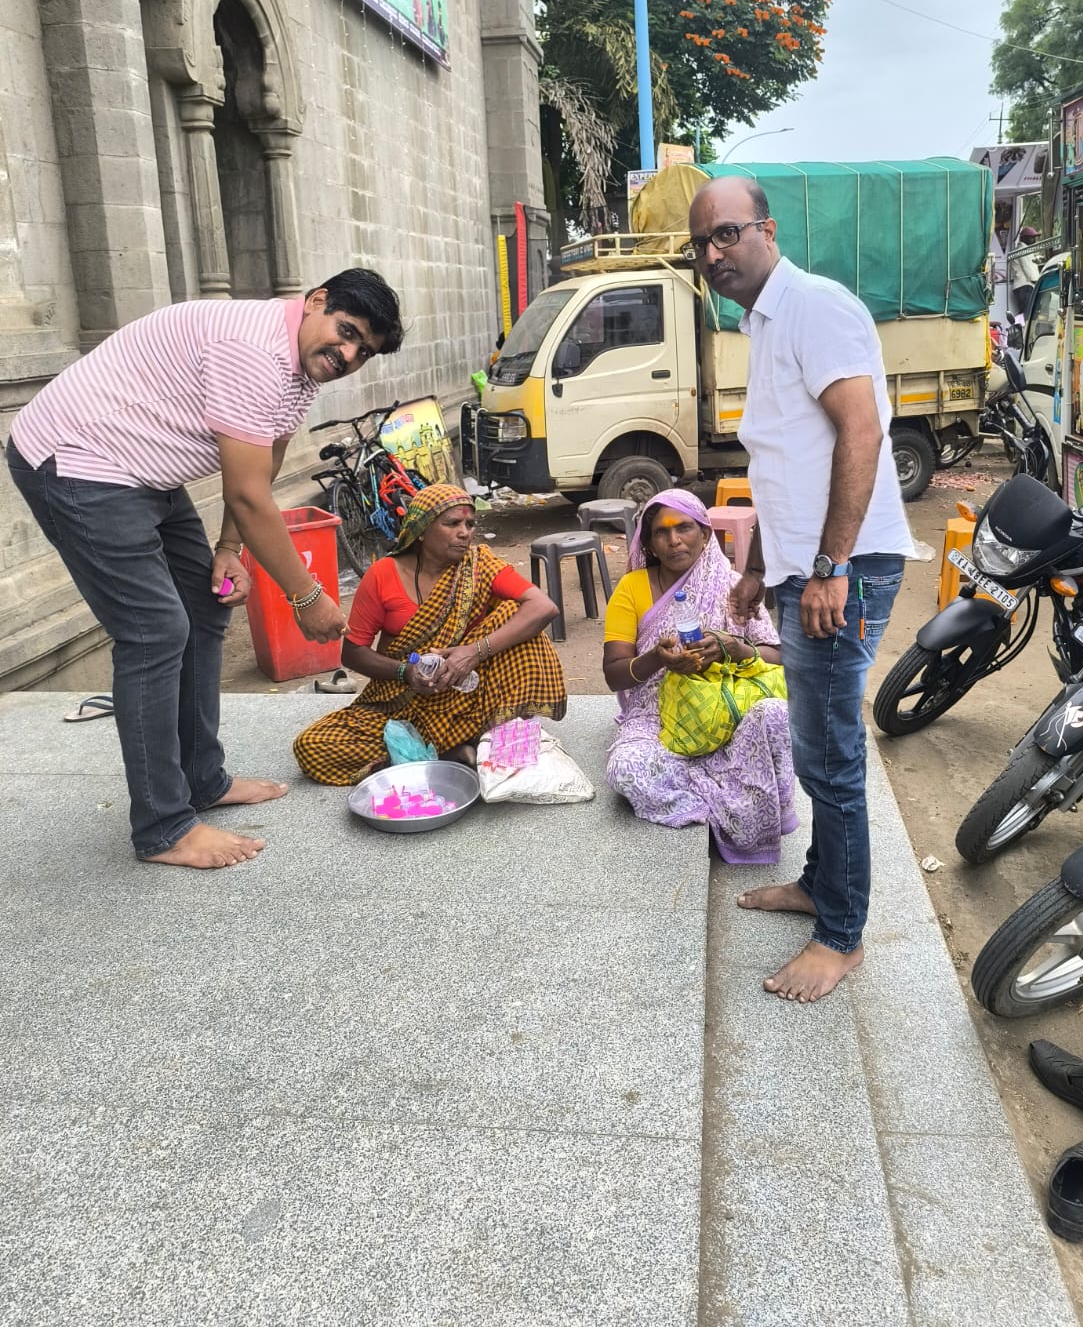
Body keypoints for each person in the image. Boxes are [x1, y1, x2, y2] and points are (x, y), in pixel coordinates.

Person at [6, 269, 403, 871]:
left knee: (205, 602)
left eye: (362, 352)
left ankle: (202, 780)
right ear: (316, 302)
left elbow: (263, 461)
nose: (347, 355)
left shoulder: (296, 364)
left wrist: (227, 549)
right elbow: (247, 496)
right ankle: (163, 828)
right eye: (346, 332)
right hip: (79, 463)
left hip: (144, 466)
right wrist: (308, 597)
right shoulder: (255, 352)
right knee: (154, 632)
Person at [685, 177, 910, 1002]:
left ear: (767, 231)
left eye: (726, 235)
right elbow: (783, 460)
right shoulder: (763, 322)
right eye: (701, 244)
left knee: (832, 758)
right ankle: (821, 884)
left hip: (841, 568)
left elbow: (861, 429)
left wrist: (827, 568)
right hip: (802, 566)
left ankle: (841, 936)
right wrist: (755, 569)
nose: (713, 254)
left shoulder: (814, 307)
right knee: (818, 748)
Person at [293, 484, 565, 782]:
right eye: (452, 524)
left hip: (466, 698)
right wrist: (405, 672)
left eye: (469, 524)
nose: (464, 532)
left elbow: (544, 607)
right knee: (312, 745)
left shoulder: (480, 566)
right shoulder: (383, 575)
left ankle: (432, 754)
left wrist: (472, 652)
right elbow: (353, 652)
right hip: (402, 700)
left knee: (517, 617)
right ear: (421, 530)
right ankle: (450, 755)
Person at [602, 490, 796, 863]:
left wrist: (736, 649)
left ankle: (731, 790)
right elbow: (614, 674)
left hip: (729, 706)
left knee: (775, 714)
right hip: (658, 714)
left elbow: (779, 655)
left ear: (706, 534)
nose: (674, 540)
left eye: (685, 528)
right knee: (625, 770)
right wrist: (656, 660)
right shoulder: (632, 588)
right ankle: (730, 801)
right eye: (661, 532)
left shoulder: (734, 584)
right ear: (651, 544)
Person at [1010, 226, 1042, 320]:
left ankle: (1020, 331)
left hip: (1022, 286)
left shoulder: (1024, 250)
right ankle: (1022, 333)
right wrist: (1038, 281)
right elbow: (1028, 270)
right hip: (1025, 286)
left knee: (1025, 313)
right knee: (1028, 315)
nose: (1034, 240)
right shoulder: (1022, 250)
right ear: (1024, 238)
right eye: (1032, 237)